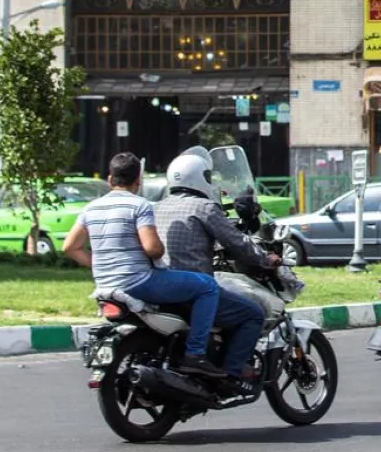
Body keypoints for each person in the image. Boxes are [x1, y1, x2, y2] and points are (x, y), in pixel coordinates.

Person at [63, 152, 227, 380]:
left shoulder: (91, 208)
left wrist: (99, 264)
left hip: (104, 284)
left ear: (110, 179)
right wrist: (160, 247)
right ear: (138, 181)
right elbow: (153, 249)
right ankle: (195, 354)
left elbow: (70, 247)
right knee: (208, 286)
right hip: (139, 282)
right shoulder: (139, 205)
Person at [152, 149, 281, 385]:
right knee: (253, 314)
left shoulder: (157, 207)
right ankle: (231, 374)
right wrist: (266, 259)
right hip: (192, 290)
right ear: (200, 178)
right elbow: (238, 243)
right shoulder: (205, 208)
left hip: (160, 287)